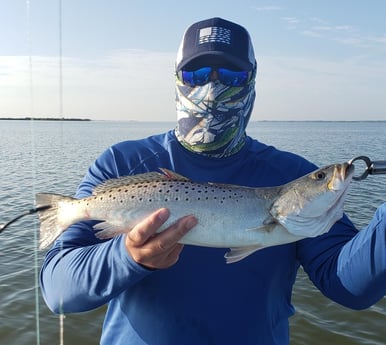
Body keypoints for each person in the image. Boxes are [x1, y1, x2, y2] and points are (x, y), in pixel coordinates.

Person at [40, 17, 386, 345]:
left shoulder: (290, 173)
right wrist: (128, 256)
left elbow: (349, 287)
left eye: (233, 75)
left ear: (251, 82)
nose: (211, 87)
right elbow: (58, 290)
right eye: (197, 73)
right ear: (177, 79)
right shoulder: (122, 163)